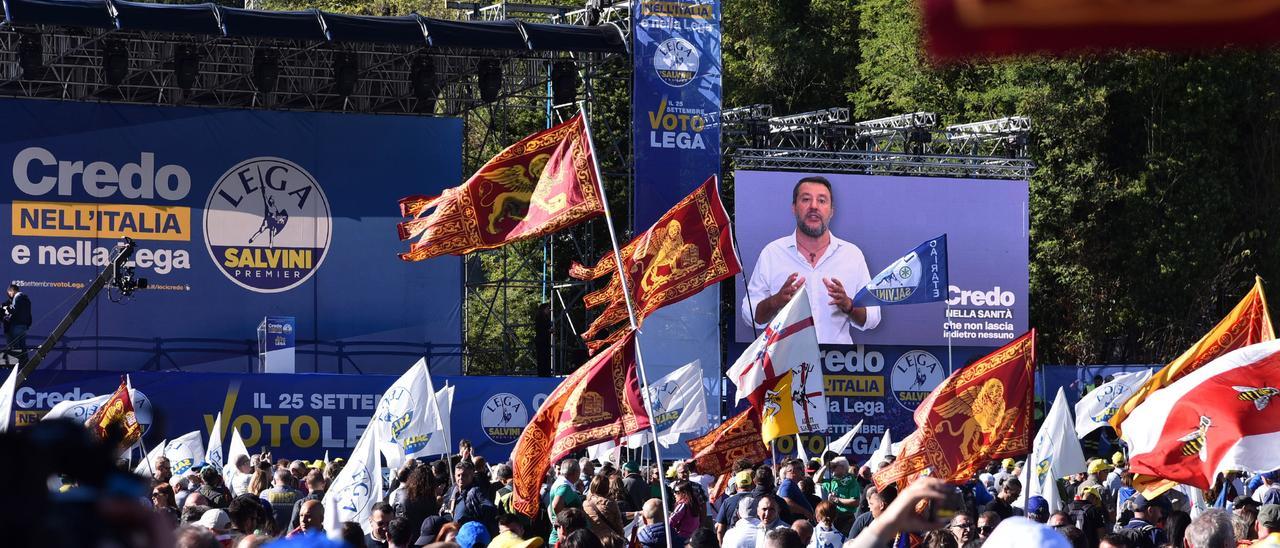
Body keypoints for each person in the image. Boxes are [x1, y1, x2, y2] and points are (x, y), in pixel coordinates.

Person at [740, 175, 881, 345]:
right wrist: (775, 301)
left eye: (822, 201)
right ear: (794, 208)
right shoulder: (772, 253)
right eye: (806, 199)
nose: (814, 206)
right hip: (785, 366)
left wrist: (849, 306)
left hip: (837, 365)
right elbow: (750, 315)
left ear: (831, 211)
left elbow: (873, 317)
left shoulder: (852, 255)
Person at [442, 460, 498, 534]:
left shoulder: (476, 491)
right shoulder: (452, 490)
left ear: (472, 476)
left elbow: (490, 509)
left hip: (470, 534)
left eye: (464, 475)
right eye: (458, 475)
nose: (460, 478)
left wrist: (475, 523)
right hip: (455, 534)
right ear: (454, 476)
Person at [816, 457, 860, 533]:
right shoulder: (833, 481)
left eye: (835, 466)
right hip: (832, 518)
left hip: (846, 518)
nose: (832, 468)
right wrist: (825, 466)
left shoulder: (851, 481)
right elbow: (816, 480)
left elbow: (855, 502)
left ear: (843, 468)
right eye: (831, 467)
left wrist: (836, 499)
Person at [548, 458, 585, 545]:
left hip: (562, 536)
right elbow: (555, 505)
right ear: (575, 472)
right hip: (563, 539)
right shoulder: (564, 486)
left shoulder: (561, 483)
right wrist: (564, 524)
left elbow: (550, 507)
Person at [583, 474, 625, 542]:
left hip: (592, 540)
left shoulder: (585, 504)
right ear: (607, 487)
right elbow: (619, 524)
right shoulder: (610, 503)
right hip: (609, 541)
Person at [3, 283, 31, 365]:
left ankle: (15, 365)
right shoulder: (26, 299)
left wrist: (7, 309)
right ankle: (25, 364)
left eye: (9, 292)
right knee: (22, 346)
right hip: (24, 326)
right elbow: (28, 314)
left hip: (16, 326)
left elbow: (14, 311)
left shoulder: (17, 297)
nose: (9, 295)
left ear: (12, 290)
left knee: (15, 346)